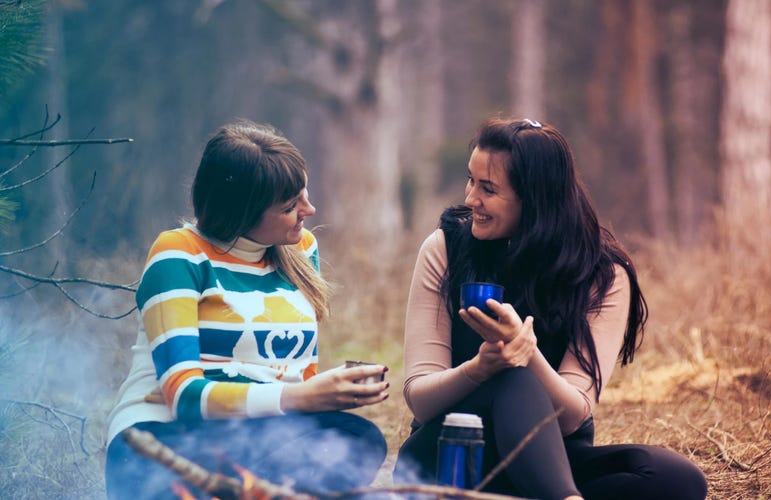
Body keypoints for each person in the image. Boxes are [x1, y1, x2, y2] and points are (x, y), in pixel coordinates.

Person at [393, 118, 707, 499]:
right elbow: (421, 399)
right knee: (510, 377)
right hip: (449, 458)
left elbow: (573, 415)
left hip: (549, 463)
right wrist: (480, 368)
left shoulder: (603, 274)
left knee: (678, 478)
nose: (471, 198)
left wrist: (529, 355)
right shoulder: (445, 249)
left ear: (535, 199)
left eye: (488, 189)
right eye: (470, 181)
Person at [105, 120, 389, 499]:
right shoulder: (179, 254)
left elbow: (299, 370)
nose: (309, 209)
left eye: (304, 194)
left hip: (258, 435)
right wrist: (302, 397)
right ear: (242, 213)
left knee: (358, 438)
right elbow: (185, 397)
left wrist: (322, 395)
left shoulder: (300, 249)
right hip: (164, 437)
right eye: (290, 206)